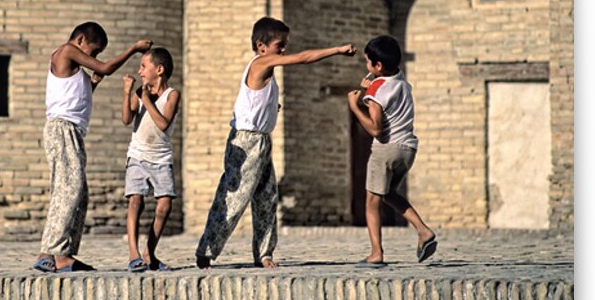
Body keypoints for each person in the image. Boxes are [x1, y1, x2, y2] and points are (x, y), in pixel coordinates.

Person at [195, 17, 356, 269]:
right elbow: (303, 58)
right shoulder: (261, 63)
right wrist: (336, 50)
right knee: (235, 197)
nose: (284, 50)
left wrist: (271, 107)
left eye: (285, 45)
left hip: (261, 141)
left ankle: (264, 253)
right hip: (247, 142)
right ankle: (206, 249)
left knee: (267, 198)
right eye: (279, 45)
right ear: (261, 46)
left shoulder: (267, 70)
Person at [33, 22, 152, 273]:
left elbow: (76, 99)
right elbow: (107, 68)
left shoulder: (75, 67)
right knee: (68, 189)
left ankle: (64, 255)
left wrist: (93, 83)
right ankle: (48, 252)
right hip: (61, 130)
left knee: (79, 194)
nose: (93, 58)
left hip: (73, 131)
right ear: (80, 40)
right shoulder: (66, 51)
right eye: (93, 51)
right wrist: (133, 49)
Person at [347, 35, 436, 267]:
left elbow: (376, 129)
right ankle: (423, 230)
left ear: (378, 66)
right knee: (388, 194)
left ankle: (376, 253)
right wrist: (369, 93)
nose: (366, 67)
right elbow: (388, 103)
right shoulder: (402, 81)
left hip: (386, 149)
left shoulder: (377, 87)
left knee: (371, 202)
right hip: (407, 149)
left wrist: (355, 107)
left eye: (368, 62)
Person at [121, 47, 181, 272]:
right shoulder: (140, 92)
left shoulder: (172, 95)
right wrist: (129, 93)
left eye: (144, 67)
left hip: (161, 157)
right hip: (137, 154)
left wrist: (146, 99)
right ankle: (133, 253)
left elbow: (163, 124)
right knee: (135, 200)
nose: (140, 71)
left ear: (160, 69)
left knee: (164, 206)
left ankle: (149, 252)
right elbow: (127, 119)